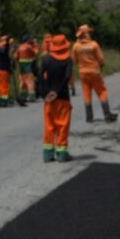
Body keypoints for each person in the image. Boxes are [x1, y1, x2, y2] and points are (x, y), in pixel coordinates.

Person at [40, 34, 76, 163]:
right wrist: (58, 92)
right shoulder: (68, 60)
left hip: (49, 99)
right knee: (62, 125)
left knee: (49, 126)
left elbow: (39, 75)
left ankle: (48, 154)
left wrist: (45, 92)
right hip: (62, 97)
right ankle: (61, 154)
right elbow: (67, 78)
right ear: (65, 45)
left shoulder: (47, 59)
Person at [72, 24, 118, 122]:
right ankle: (107, 115)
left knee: (86, 93)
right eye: (88, 32)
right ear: (86, 34)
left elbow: (74, 61)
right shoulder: (94, 44)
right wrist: (101, 67)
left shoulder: (76, 46)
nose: (90, 33)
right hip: (95, 72)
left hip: (83, 73)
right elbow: (101, 60)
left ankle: (89, 117)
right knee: (102, 92)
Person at [14, 33, 37, 105]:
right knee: (30, 82)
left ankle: (22, 95)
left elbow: (15, 57)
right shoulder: (29, 47)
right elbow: (35, 53)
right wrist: (35, 45)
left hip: (21, 68)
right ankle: (31, 96)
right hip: (28, 67)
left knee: (22, 82)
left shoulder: (19, 47)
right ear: (27, 40)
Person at [0, 34, 14, 107]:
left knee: (1, 85)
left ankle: (1, 100)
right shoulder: (4, 50)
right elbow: (7, 56)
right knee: (4, 85)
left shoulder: (1, 49)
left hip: (0, 70)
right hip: (4, 70)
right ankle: (4, 101)